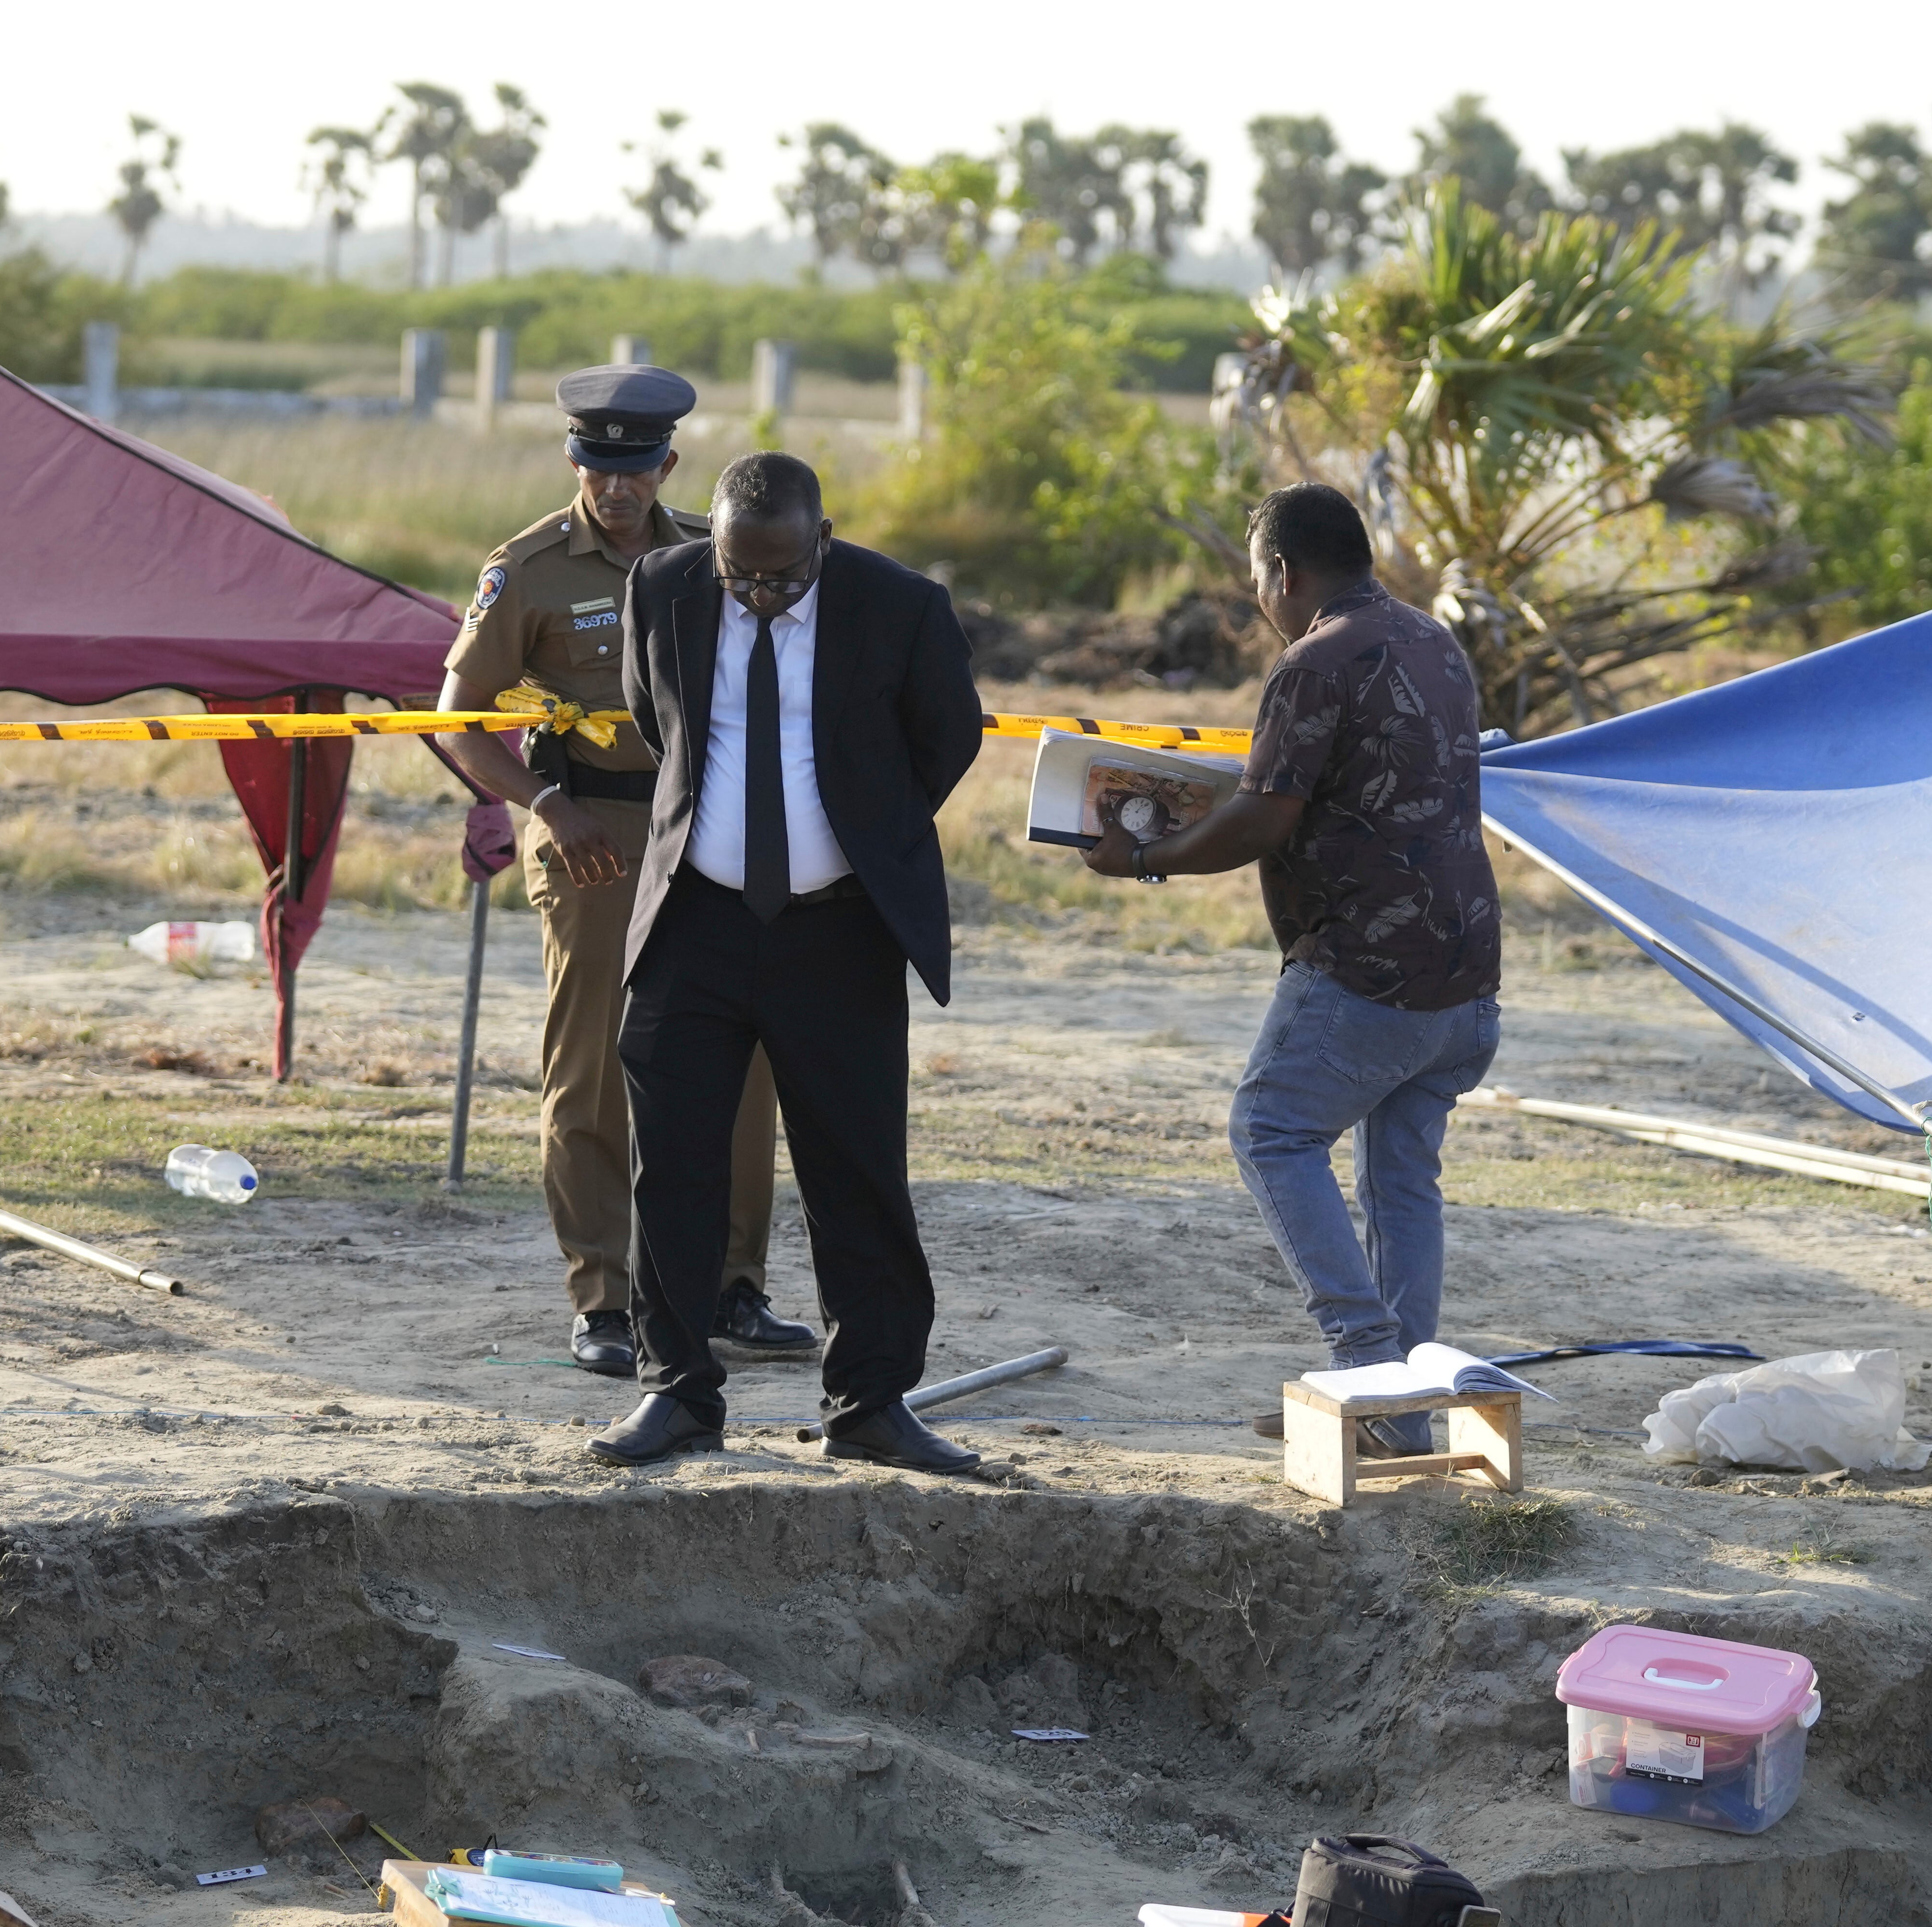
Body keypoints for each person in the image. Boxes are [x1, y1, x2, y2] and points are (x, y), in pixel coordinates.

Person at [586, 451, 989, 1472]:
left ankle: (869, 1403)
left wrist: (857, 830)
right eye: (741, 576)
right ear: (711, 548)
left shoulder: (899, 606)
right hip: (696, 924)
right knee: (672, 1166)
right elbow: (655, 720)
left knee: (856, 1171)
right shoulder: (664, 587)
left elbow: (945, 741)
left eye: (783, 577)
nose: (761, 596)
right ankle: (677, 1391)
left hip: (839, 932)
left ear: (825, 538)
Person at [1078, 483, 1503, 1448]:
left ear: (1282, 573)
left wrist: (1142, 857)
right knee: (1403, 1179)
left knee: (1270, 1129)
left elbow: (1267, 817)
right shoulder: (1434, 642)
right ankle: (1400, 1410)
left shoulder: (1312, 663)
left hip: (1373, 970)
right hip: (1468, 974)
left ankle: (1365, 1374)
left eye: (1258, 581)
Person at [437, 365, 815, 1381]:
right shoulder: (529, 570)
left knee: (745, 1059)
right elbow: (458, 718)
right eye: (599, 468)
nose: (617, 489)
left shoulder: (713, 553)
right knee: (596, 1064)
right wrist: (545, 807)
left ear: (667, 466)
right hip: (590, 828)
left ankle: (734, 1286)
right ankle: (603, 1298)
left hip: (714, 829)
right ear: (574, 462)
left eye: (636, 469)